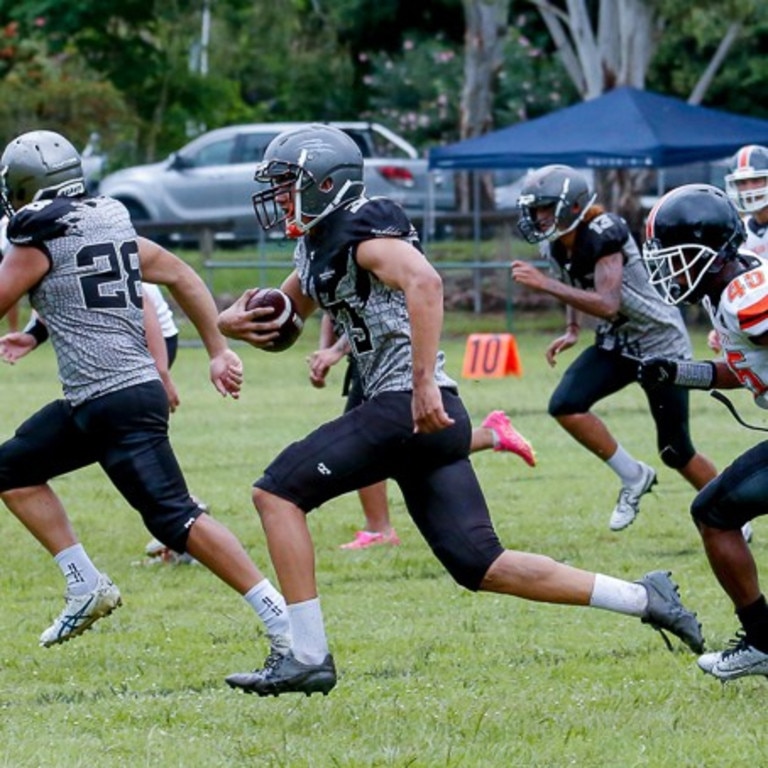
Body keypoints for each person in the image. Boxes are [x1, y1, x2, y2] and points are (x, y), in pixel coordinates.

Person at [217, 124, 704, 698]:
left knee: (276, 493)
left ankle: (306, 654)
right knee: (482, 564)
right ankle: (646, 598)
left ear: (327, 183)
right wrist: (233, 324)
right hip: (422, 413)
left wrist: (421, 383)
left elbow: (426, 282)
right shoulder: (320, 240)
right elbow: (286, 317)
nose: (278, 197)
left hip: (407, 403)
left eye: (286, 184)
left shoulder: (363, 229)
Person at [0, 130, 290, 655]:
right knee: (12, 468)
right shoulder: (107, 219)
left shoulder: (36, 238)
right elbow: (181, 273)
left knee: (176, 519)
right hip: (102, 398)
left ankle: (282, 619)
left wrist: (218, 350)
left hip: (114, 398)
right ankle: (85, 584)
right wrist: (217, 349)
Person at [510, 164, 718, 533]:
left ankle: (727, 509)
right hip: (617, 342)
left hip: (659, 343)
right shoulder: (556, 240)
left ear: (572, 206)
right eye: (534, 208)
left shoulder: (605, 232)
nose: (537, 216)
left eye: (544, 208)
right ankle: (633, 476)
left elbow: (607, 302)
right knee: (566, 404)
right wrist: (572, 328)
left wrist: (542, 285)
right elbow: (574, 281)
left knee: (676, 450)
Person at [639, 183, 768, 681]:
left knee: (713, 512)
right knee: (713, 512)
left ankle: (762, 639)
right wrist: (678, 373)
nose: (667, 270)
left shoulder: (748, 296)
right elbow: (744, 371)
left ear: (711, 252)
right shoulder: (729, 297)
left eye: (675, 258)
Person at [308, 313, 537, 550]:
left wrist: (334, 350)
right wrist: (323, 352)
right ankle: (490, 434)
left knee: (367, 445)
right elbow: (331, 309)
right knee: (393, 445)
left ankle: (379, 529)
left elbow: (374, 314)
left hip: (392, 362)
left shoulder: (379, 277)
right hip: (367, 362)